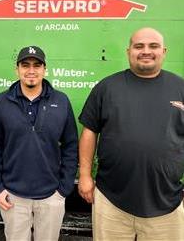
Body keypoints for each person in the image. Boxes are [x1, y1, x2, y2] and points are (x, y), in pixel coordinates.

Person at [78, 27, 184, 241]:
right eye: (139, 46)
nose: (146, 51)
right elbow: (90, 131)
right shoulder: (107, 87)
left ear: (164, 51)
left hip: (168, 202)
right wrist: (85, 175)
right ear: (128, 52)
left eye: (153, 46)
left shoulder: (180, 87)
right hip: (111, 202)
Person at [0, 45, 78, 241]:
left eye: (37, 65)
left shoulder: (61, 100)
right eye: (25, 65)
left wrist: (63, 189)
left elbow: (71, 146)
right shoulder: (2, 101)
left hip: (51, 196)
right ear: (17, 69)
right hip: (13, 197)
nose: (31, 70)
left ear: (45, 69)